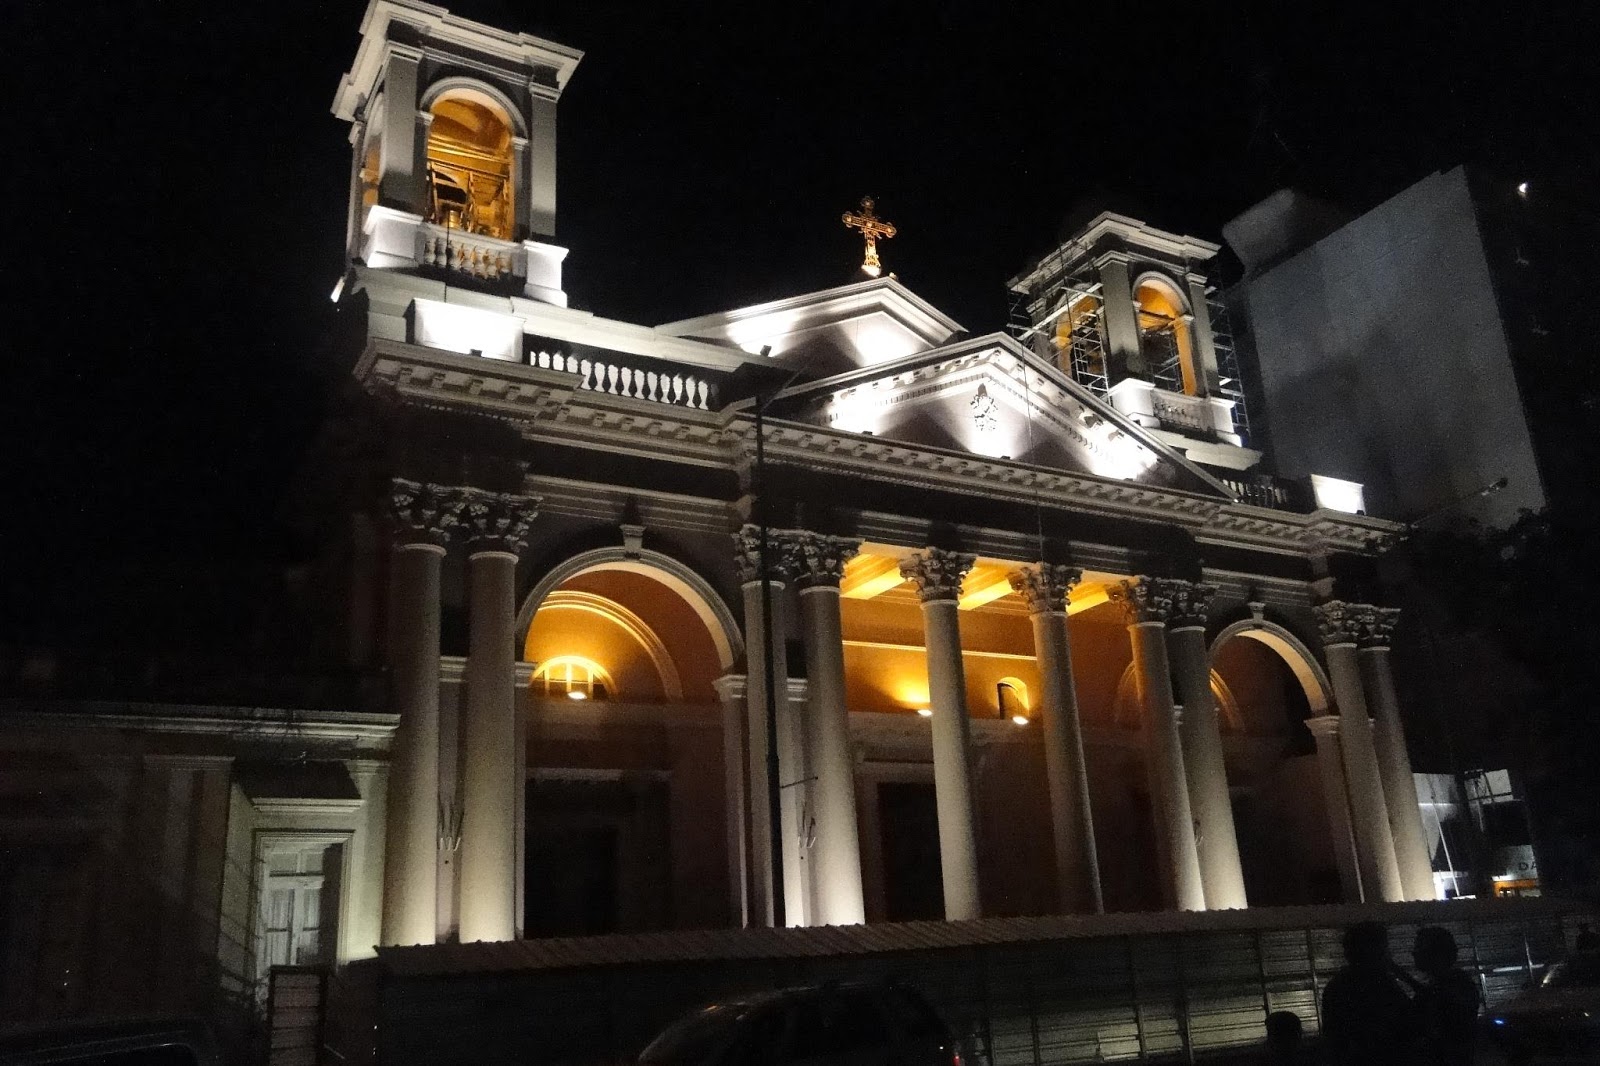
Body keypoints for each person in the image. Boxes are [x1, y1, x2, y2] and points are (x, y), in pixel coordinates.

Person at [1321, 921, 1415, 1066]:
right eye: (1384, 947)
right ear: (1374, 950)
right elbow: (1408, 1017)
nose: (1389, 952)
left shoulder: (1338, 985)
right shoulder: (1377, 983)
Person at [1401, 926, 1481, 1066]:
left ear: (1436, 954)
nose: (1414, 954)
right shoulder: (1454, 983)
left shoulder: (1454, 986)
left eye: (1419, 948)